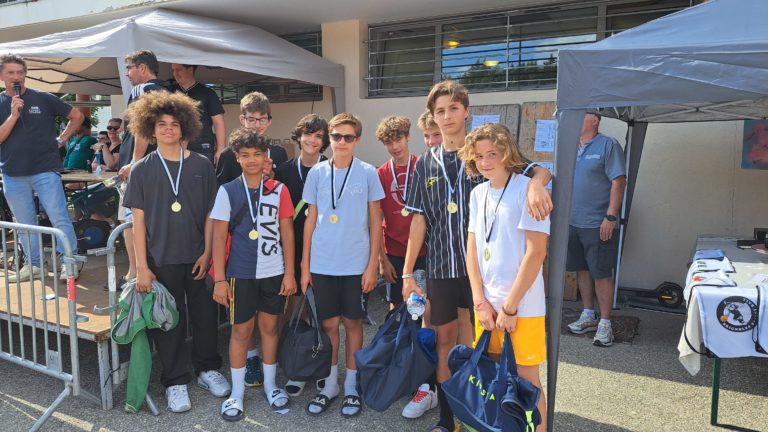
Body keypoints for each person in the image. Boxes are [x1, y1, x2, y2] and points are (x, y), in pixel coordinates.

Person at [401, 80, 553, 432]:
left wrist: (536, 184)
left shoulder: (484, 151)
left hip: (483, 277)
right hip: (443, 266)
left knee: (483, 350)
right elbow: (418, 221)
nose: (447, 116)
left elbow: (537, 170)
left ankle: (489, 417)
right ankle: (449, 418)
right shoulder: (424, 163)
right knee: (444, 343)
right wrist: (408, 272)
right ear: (432, 115)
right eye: (440, 111)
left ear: (466, 111)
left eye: (454, 108)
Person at [123, 91, 230, 413]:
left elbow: (211, 214)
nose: (168, 129)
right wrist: (141, 267)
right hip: (160, 258)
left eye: (174, 123)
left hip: (197, 256)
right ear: (150, 129)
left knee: (205, 316)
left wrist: (208, 252)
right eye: (161, 124)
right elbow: (137, 222)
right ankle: (175, 380)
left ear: (185, 127)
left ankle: (207, 368)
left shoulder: (201, 165)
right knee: (168, 321)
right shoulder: (141, 169)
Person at [461, 123, 549, 432]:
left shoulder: (529, 190)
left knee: (527, 380)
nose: (485, 162)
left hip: (523, 307)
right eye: (479, 156)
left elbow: (536, 253)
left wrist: (510, 307)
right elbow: (472, 250)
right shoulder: (477, 193)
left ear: (507, 153)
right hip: (487, 305)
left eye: (492, 154)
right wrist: (479, 302)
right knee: (493, 375)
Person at [301, 112, 384, 418]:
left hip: (355, 264)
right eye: (336, 136)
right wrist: (304, 266)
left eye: (348, 137)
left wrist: (372, 264)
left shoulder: (368, 172)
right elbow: (310, 220)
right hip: (323, 263)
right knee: (328, 326)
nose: (342, 142)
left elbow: (376, 221)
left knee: (353, 324)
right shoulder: (317, 173)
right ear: (329, 138)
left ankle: (351, 386)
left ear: (357, 140)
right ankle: (329, 385)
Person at [211, 127, 296, 420]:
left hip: (274, 271)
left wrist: (290, 273)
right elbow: (218, 238)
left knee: (270, 329)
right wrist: (219, 279)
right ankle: (237, 393)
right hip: (240, 273)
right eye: (245, 155)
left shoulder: (279, 190)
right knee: (241, 331)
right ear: (237, 157)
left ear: (266, 157)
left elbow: (287, 233)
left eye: (257, 154)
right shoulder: (227, 191)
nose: (251, 160)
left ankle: (271, 385)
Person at [0, 54, 83, 282]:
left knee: (59, 217)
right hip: (13, 173)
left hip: (45, 169)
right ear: (2, 76)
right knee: (24, 223)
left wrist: (62, 139)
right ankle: (34, 265)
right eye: (11, 73)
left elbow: (77, 116)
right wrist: (13, 115)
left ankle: (69, 262)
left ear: (25, 75)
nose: (17, 77)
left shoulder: (43, 98)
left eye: (20, 72)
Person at [374, 115, 434, 419]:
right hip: (394, 253)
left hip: (424, 252)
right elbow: (376, 220)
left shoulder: (424, 167)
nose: (394, 146)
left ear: (408, 137)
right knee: (397, 310)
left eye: (398, 139)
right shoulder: (381, 173)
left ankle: (426, 376)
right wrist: (382, 259)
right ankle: (401, 365)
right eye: (388, 141)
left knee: (425, 313)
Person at [273, 113, 329, 397]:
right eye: (308, 134)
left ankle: (322, 363)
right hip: (291, 248)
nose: (312, 140)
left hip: (325, 248)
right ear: (298, 137)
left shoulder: (332, 168)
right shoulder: (283, 171)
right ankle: (295, 361)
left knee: (323, 310)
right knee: (294, 307)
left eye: (319, 136)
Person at [566, 111, 627, 347]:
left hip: (598, 223)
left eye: (581, 114)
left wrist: (610, 216)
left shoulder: (608, 145)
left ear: (594, 120)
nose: (575, 118)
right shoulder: (571, 146)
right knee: (582, 269)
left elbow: (619, 181)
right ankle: (588, 315)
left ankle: (605, 324)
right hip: (573, 222)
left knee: (601, 272)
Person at [117, 50, 166, 290]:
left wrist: (135, 161)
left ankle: (134, 272)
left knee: (129, 219)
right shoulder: (166, 91)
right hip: (158, 166)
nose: (127, 74)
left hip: (140, 169)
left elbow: (142, 128)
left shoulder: (142, 90)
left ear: (143, 68)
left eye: (129, 68)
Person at [216, 91, 287, 185]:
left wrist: (271, 175)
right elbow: (220, 188)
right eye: (251, 119)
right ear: (242, 119)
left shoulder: (279, 153)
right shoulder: (228, 154)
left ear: (269, 121)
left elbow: (284, 187)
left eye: (262, 119)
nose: (257, 125)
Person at [168, 64, 227, 164]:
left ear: (190, 70)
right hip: (175, 149)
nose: (175, 74)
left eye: (178, 70)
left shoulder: (208, 93)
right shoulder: (169, 93)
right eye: (173, 70)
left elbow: (218, 122)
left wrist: (221, 149)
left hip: (203, 149)